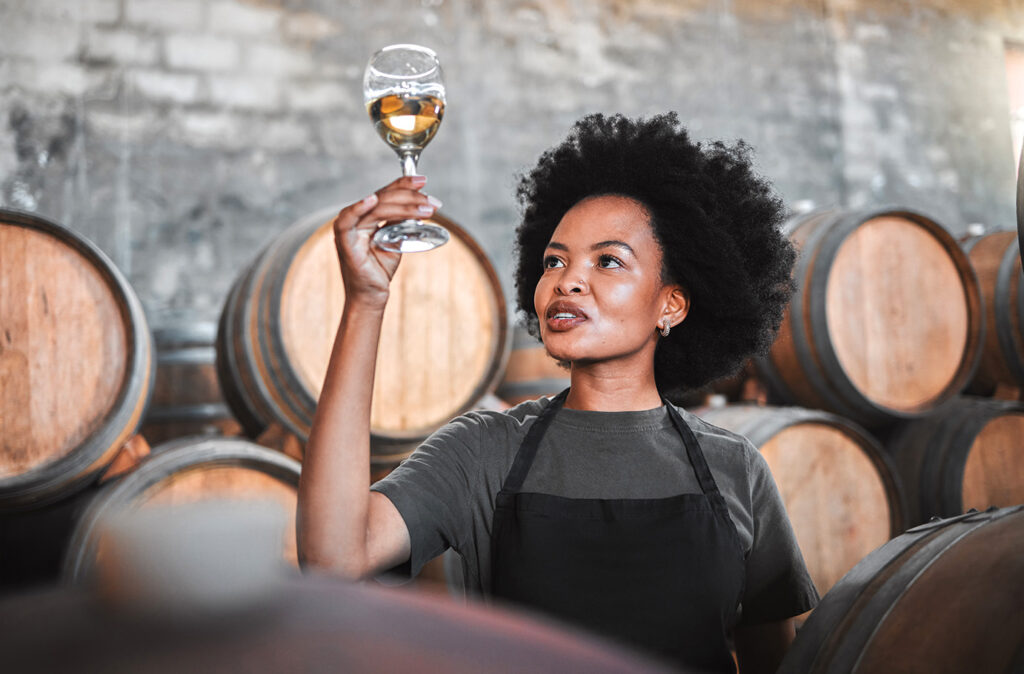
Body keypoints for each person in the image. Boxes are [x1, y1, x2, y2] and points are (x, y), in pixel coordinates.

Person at [297, 112, 819, 673]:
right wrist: (366, 301)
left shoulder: (735, 467)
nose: (568, 279)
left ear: (671, 305)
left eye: (609, 260)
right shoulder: (483, 451)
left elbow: (775, 664)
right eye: (555, 261)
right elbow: (332, 559)